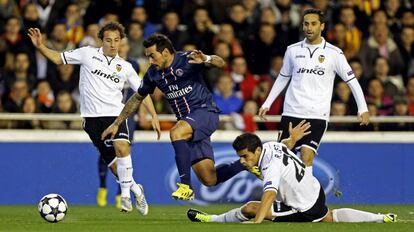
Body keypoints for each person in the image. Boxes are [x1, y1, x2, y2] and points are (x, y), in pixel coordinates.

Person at [27, 22, 161, 214]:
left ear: (121, 42)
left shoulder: (125, 67)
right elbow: (58, 59)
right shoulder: (87, 54)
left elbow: (143, 91)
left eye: (116, 40)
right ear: (101, 40)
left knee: (122, 146)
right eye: (108, 40)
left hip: (116, 115)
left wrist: (153, 115)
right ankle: (136, 189)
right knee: (116, 169)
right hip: (91, 120)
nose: (113, 44)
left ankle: (125, 197)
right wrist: (40, 46)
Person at [101, 33, 250, 201]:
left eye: (152, 56)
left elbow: (221, 63)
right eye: (147, 57)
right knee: (209, 179)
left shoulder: (187, 59)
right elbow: (136, 98)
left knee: (176, 132)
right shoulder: (153, 74)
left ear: (165, 53)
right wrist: (117, 123)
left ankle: (185, 186)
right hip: (189, 126)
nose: (150, 61)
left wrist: (207, 59)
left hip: (205, 112)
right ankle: (246, 164)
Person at [187, 124, 397, 224]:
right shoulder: (270, 146)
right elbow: (285, 145)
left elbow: (269, 194)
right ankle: (381, 218)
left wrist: (258, 221)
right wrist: (293, 139)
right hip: (313, 190)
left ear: (257, 151)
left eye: (244, 156)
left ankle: (212, 220)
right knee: (329, 217)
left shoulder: (269, 164)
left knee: (251, 208)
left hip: (303, 206)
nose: (242, 161)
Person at [258, 9, 370, 167]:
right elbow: (283, 77)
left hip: (317, 114)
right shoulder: (292, 50)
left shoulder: (334, 53)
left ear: (322, 26)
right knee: (283, 157)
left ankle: (306, 192)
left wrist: (362, 108)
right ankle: (286, 191)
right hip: (292, 111)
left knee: (307, 155)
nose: (309, 28)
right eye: (306, 24)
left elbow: (351, 80)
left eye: (313, 24)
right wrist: (267, 103)